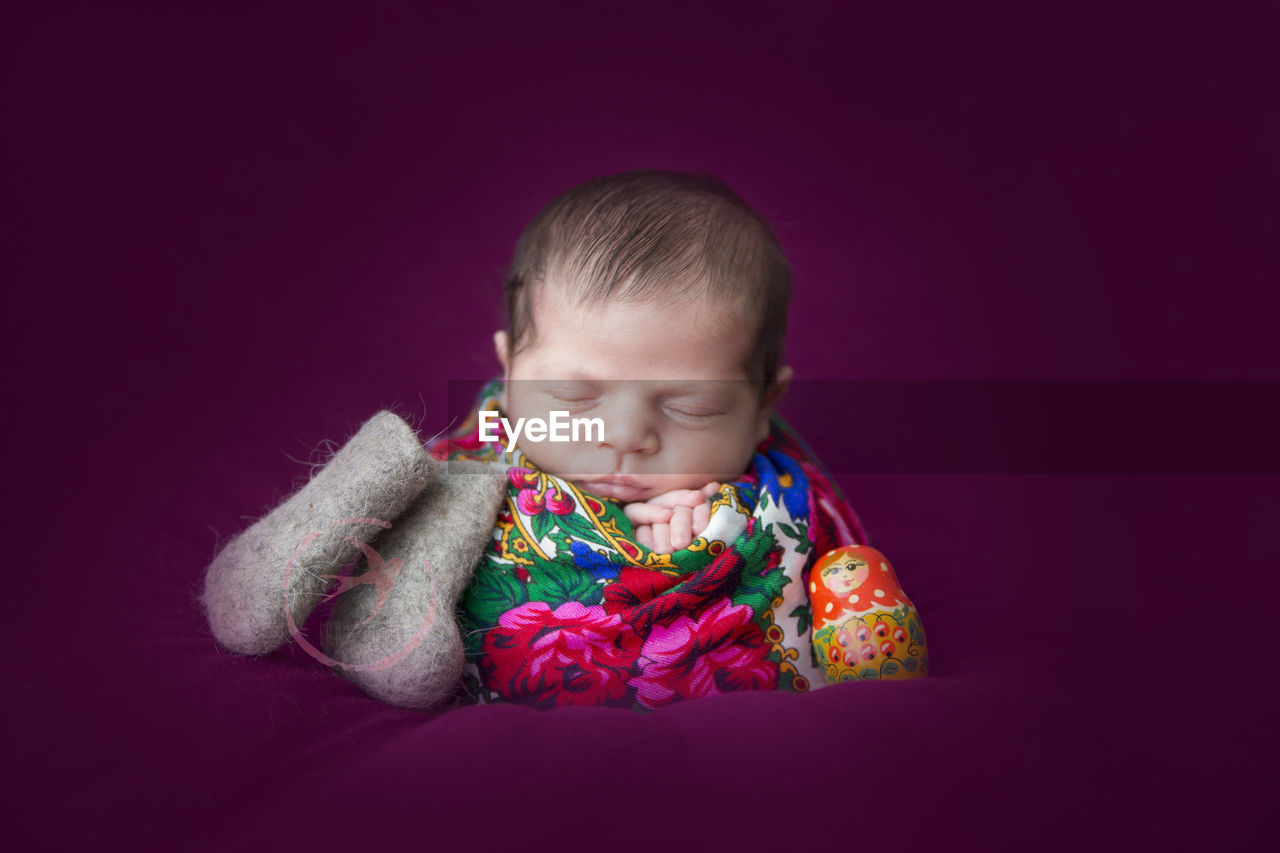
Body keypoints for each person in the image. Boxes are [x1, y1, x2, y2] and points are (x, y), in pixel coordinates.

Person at [430, 169, 878, 710]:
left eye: (690, 407)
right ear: (510, 372)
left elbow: (838, 584)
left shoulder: (785, 498)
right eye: (574, 396)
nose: (624, 436)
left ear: (763, 407)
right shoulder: (467, 467)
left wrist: (708, 545)